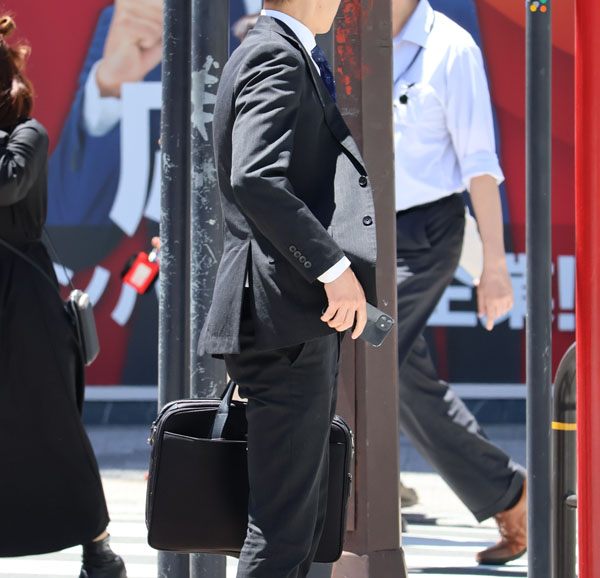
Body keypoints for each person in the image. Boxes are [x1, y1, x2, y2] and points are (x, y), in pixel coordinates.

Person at [197, 0, 377, 576]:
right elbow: (255, 176)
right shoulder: (276, 53)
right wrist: (333, 268)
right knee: (283, 530)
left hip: (281, 314)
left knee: (293, 525)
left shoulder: (272, 48)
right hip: (285, 316)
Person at [391, 0, 527, 566]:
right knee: (398, 375)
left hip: (425, 234)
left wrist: (493, 264)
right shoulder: (345, 35)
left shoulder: (451, 48)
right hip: (357, 231)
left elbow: (479, 164)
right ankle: (509, 495)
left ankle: (346, 508)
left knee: (370, 352)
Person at [0, 16, 126, 578]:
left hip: (25, 300)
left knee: (53, 424)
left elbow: (9, 183)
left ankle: (98, 547)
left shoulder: (28, 135)